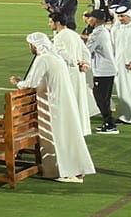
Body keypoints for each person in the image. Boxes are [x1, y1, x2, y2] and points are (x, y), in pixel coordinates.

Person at [13, 32, 94, 183]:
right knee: (69, 136)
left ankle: (62, 171)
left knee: (57, 137)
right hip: (64, 102)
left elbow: (31, 83)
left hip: (53, 105)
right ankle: (76, 168)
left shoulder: (42, 59)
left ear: (34, 45)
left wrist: (17, 82)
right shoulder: (56, 57)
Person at [85, 9, 120, 134]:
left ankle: (110, 124)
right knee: (103, 98)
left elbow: (87, 51)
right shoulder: (104, 31)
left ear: (95, 19)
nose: (88, 20)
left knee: (101, 98)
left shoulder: (97, 34)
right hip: (107, 69)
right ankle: (108, 122)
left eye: (90, 17)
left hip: (103, 71)